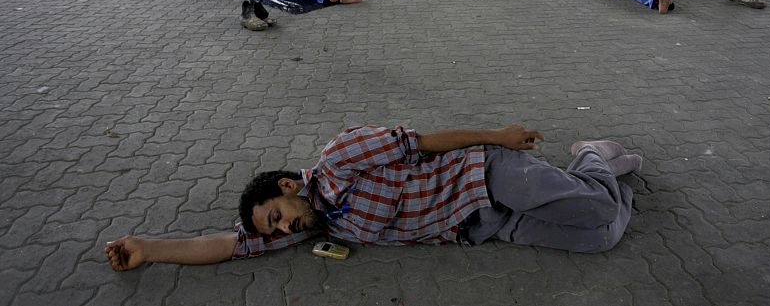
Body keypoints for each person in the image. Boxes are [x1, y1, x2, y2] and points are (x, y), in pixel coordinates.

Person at [104, 124, 640, 271]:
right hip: (482, 227)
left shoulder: (340, 157)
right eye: (274, 231)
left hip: (484, 175)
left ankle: (593, 156)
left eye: (276, 216)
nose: (282, 229)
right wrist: (150, 247)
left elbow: (423, 143)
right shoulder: (324, 229)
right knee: (601, 238)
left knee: (598, 209)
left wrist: (497, 137)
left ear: (288, 188)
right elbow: (228, 245)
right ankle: (606, 177)